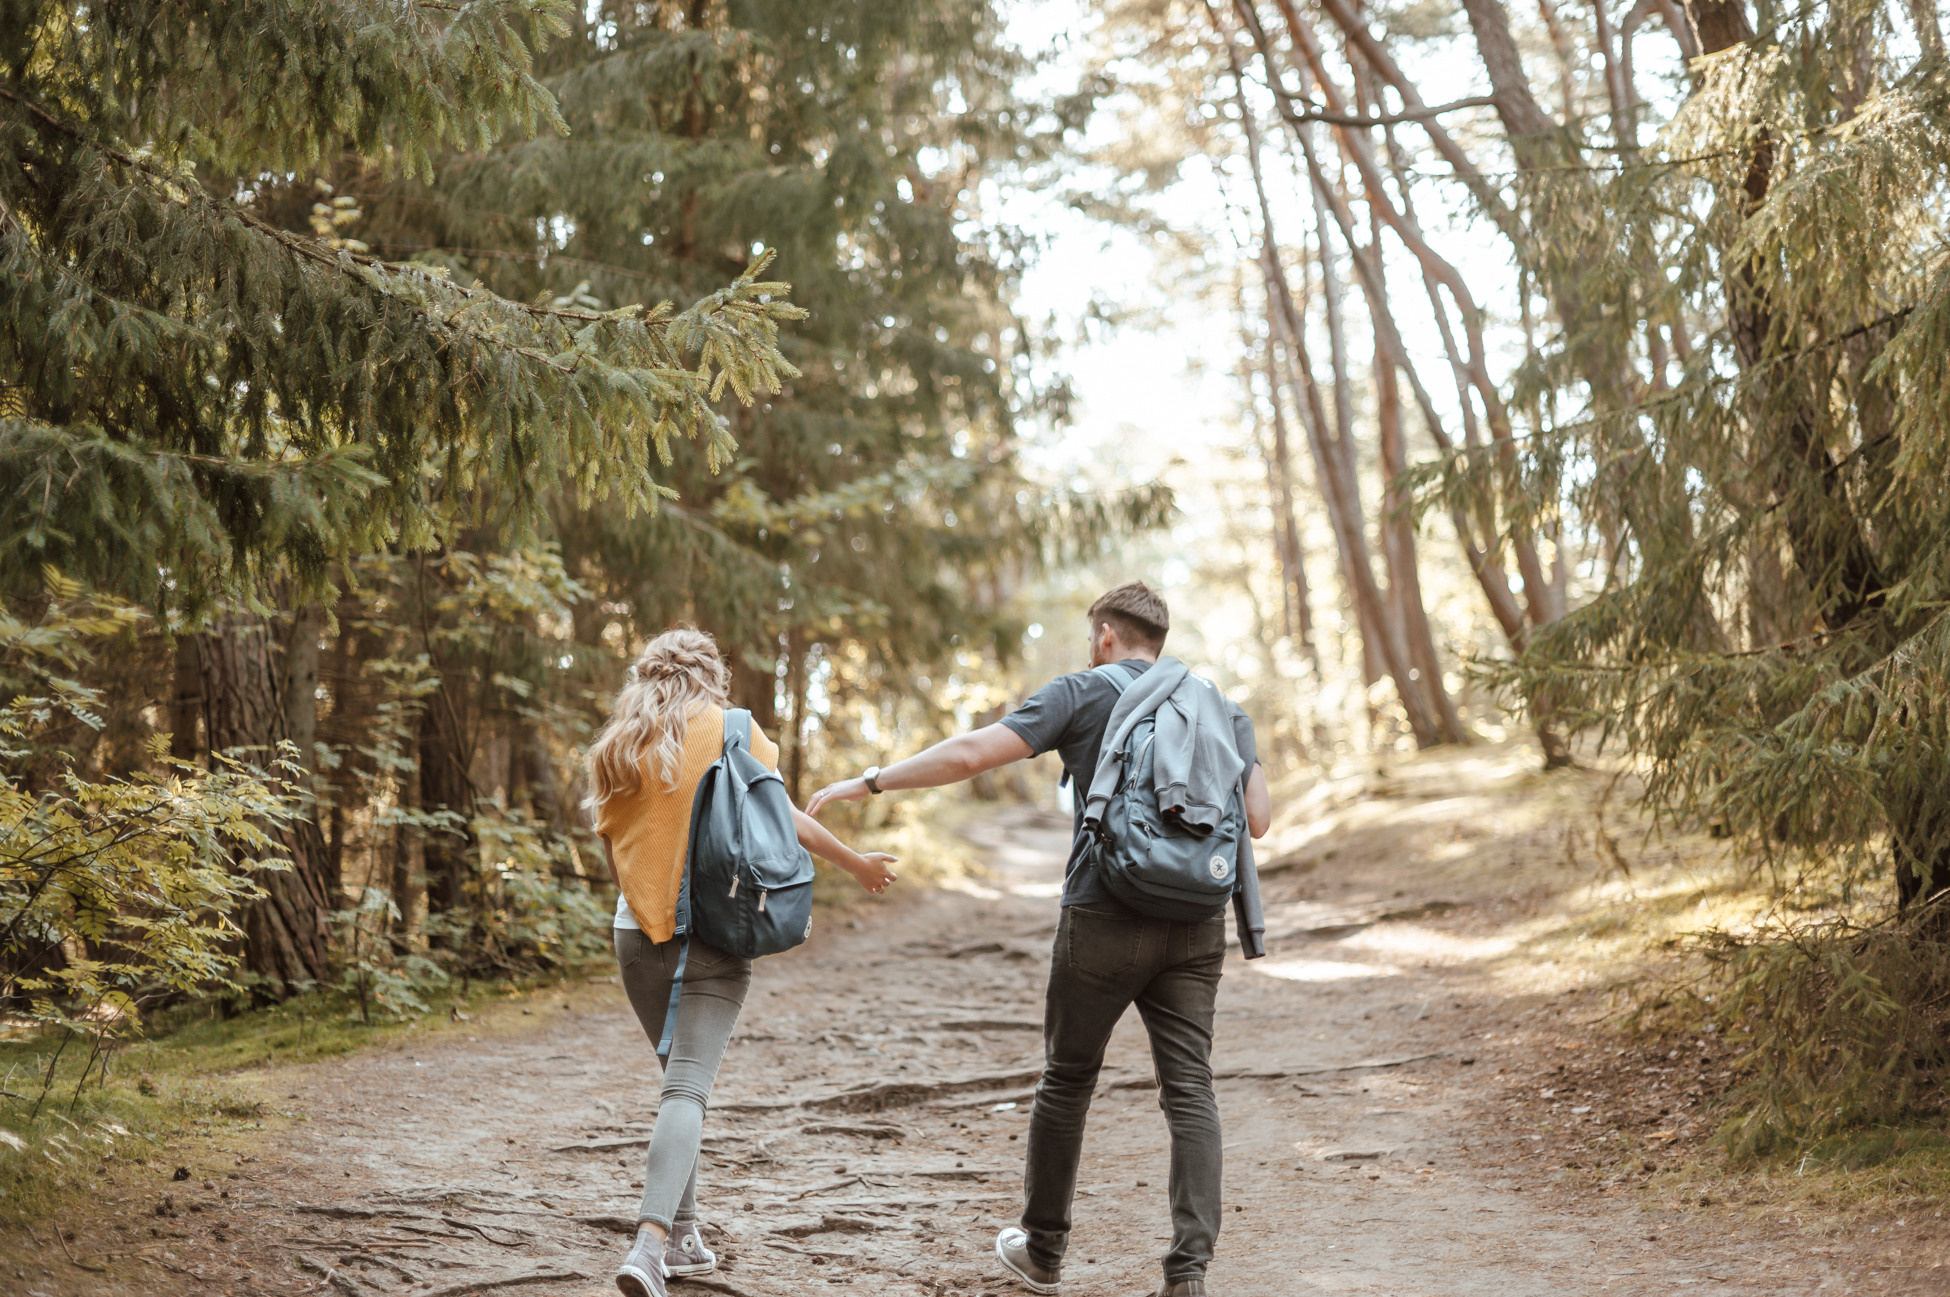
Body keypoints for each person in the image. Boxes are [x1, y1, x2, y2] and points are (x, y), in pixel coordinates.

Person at [808, 582, 1271, 1297]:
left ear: (1108, 635)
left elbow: (969, 756)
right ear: (1161, 637)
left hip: (1104, 912)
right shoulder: (1220, 708)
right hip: (1195, 924)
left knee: (1068, 1079)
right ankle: (1187, 1275)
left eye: (1096, 638)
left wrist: (869, 782)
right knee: (1190, 1089)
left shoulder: (1084, 692)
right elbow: (1259, 818)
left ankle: (1044, 1252)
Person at [588, 627, 899, 1297]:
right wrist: (856, 862)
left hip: (636, 934)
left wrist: (650, 908)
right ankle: (649, 1244)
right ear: (712, 674)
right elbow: (780, 817)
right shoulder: (734, 730)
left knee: (680, 1085)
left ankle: (686, 1236)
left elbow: (614, 845)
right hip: (716, 934)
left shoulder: (619, 743)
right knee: (688, 1088)